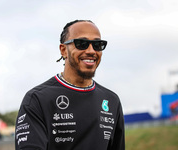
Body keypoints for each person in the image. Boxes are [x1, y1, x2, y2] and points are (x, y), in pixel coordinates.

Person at [15, 20, 125, 150]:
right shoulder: (37, 99)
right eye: (81, 44)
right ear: (63, 50)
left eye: (97, 45)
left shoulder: (111, 100)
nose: (91, 51)